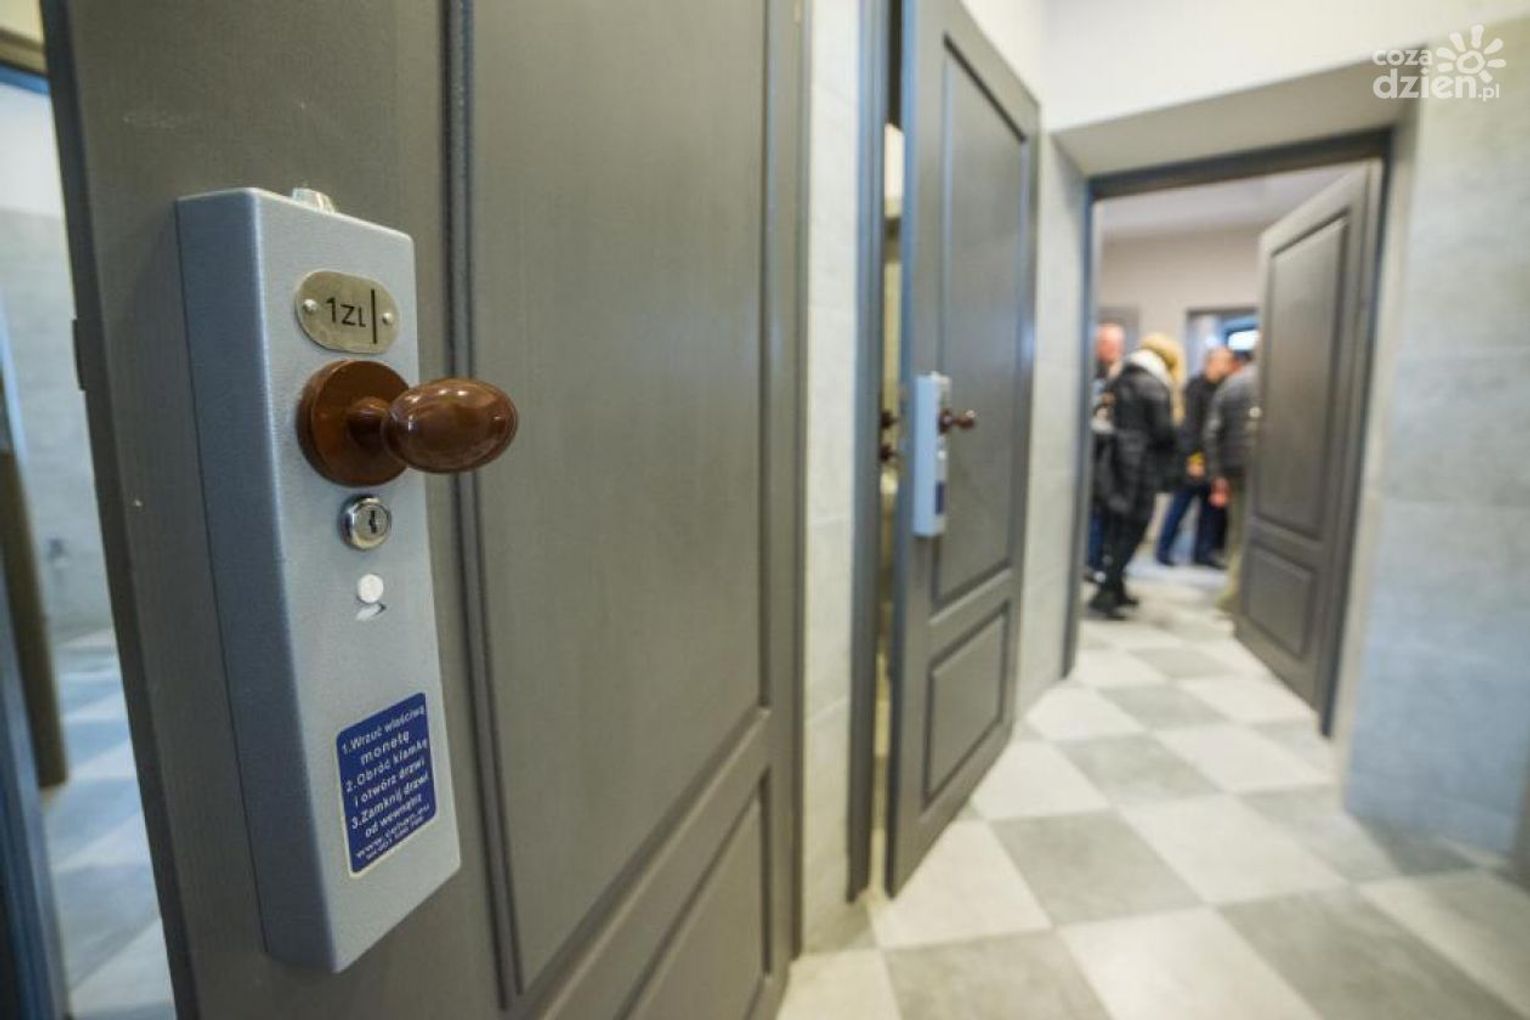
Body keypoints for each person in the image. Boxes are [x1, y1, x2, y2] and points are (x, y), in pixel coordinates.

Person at [1089, 333, 1182, 619]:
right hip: (1141, 465)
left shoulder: (1122, 376)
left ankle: (1114, 587)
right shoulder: (1153, 383)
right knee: (1134, 526)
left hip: (1116, 460)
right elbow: (1163, 430)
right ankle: (1107, 591)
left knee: (1117, 526)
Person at [1155, 346, 1236, 567]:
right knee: (1180, 507)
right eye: (1224, 360)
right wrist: (1195, 460)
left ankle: (1203, 553)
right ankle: (1163, 550)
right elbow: (1190, 428)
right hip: (1194, 461)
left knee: (1209, 513)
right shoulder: (1195, 388)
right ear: (1211, 362)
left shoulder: (1223, 388)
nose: (1227, 365)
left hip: (1213, 463)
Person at [1204, 352, 1260, 614]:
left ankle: (1234, 592)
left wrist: (1217, 473)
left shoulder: (1233, 383)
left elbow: (1212, 432)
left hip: (1235, 470)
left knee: (1237, 533)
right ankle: (1240, 598)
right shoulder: (1277, 384)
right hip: (1265, 474)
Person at [1084, 324, 1126, 579]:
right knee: (1094, 511)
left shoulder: (1120, 373)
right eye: (1111, 344)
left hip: (1110, 456)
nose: (1116, 349)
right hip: (1093, 454)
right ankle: (1091, 561)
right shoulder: (1090, 371)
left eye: (1119, 344)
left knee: (1106, 511)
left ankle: (1101, 558)